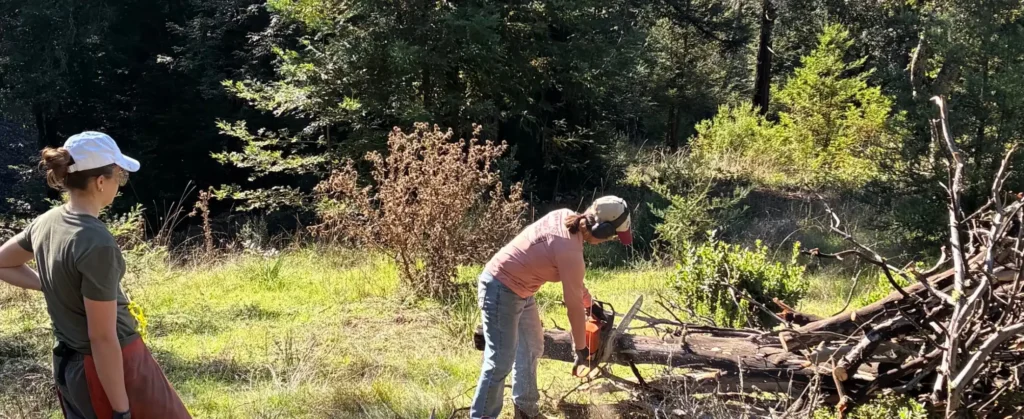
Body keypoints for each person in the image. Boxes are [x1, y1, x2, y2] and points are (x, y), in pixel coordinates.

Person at [0, 131, 190, 419]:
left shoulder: (47, 222)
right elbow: (102, 337)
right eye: (119, 176)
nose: (120, 184)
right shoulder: (95, 242)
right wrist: (121, 410)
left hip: (68, 365)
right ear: (101, 181)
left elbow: (3, 262)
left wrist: (53, 285)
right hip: (110, 367)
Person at [471, 196, 633, 419]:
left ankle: (526, 411)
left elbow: (575, 285)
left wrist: (592, 306)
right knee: (500, 359)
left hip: (522, 290)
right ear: (602, 229)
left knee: (532, 346)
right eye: (612, 235)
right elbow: (573, 305)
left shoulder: (566, 217)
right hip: (500, 288)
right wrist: (581, 348)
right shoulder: (569, 249)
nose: (609, 240)